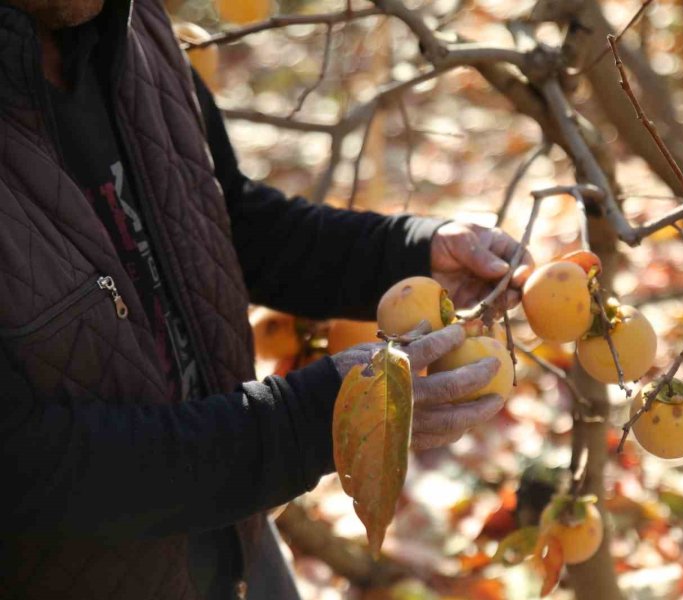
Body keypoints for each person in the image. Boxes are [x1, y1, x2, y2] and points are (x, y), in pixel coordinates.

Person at [0, 0, 533, 598]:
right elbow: (26, 465)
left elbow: (223, 217)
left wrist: (409, 253)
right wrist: (303, 424)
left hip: (238, 541)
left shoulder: (130, 28)